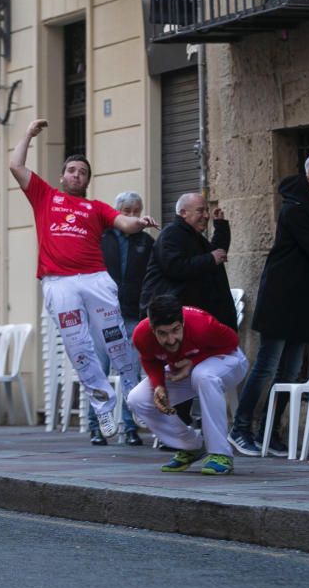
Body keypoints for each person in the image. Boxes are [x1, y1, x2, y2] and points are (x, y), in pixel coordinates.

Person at [9, 118, 157, 439]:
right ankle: (104, 411)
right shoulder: (44, 196)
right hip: (59, 282)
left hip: (95, 278)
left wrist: (140, 222)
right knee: (79, 347)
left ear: (88, 179)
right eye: (72, 170)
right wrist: (28, 135)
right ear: (63, 176)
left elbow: (124, 223)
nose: (77, 175)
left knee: (116, 340)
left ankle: (137, 400)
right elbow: (15, 166)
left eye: (83, 172)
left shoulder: (96, 208)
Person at [228, 153, 309, 457]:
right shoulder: (296, 209)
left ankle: (270, 432)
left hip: (307, 301)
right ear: (308, 179)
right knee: (267, 367)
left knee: (291, 371)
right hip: (284, 298)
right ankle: (240, 428)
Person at [128, 296, 248, 475]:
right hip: (185, 368)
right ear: (152, 329)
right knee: (137, 399)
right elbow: (149, 360)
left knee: (204, 376)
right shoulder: (141, 335)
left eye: (175, 330)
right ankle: (190, 446)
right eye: (163, 333)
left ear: (182, 322)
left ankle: (220, 454)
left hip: (229, 361)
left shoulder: (202, 324)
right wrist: (158, 385)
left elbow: (232, 341)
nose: (170, 340)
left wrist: (193, 362)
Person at [86, 191, 154, 446]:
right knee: (98, 372)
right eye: (127, 212)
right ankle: (96, 426)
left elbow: (150, 278)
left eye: (137, 211)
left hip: (132, 313)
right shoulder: (101, 238)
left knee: (131, 372)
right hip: (101, 315)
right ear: (118, 214)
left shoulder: (145, 242)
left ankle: (130, 427)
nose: (133, 216)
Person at [140, 193, 237, 330]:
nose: (206, 215)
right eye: (200, 210)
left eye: (207, 210)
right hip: (173, 321)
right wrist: (210, 259)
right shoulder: (172, 234)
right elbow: (176, 267)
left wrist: (220, 226)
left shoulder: (193, 236)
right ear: (183, 213)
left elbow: (216, 255)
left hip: (192, 317)